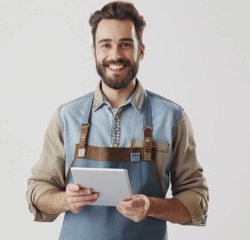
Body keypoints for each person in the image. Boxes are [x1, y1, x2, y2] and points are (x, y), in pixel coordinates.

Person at [26, 1, 209, 239]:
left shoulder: (172, 118)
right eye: (106, 45)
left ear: (140, 50)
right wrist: (65, 200)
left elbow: (197, 199)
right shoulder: (66, 118)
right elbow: (37, 191)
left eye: (125, 44)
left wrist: (152, 206)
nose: (115, 55)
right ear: (94, 50)